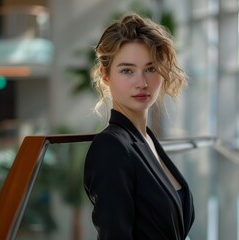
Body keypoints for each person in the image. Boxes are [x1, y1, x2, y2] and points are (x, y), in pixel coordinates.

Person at [83, 13, 195, 240]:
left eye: (151, 69)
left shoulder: (147, 140)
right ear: (106, 76)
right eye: (127, 70)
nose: (142, 82)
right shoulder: (112, 146)